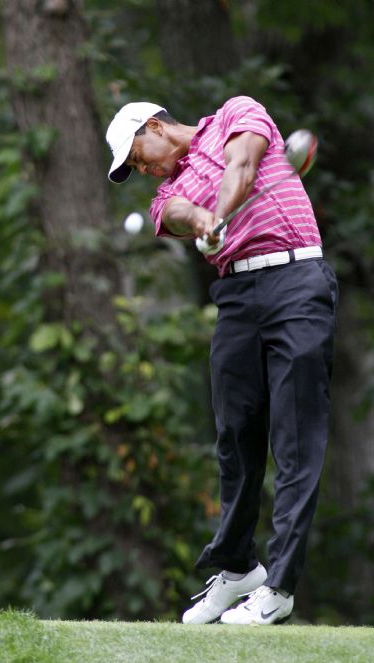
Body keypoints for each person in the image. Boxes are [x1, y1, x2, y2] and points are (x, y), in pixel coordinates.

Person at [105, 98, 338, 625]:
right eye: (134, 168)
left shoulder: (236, 113)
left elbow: (243, 165)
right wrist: (204, 217)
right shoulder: (167, 193)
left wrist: (220, 210)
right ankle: (237, 568)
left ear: (155, 126)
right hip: (237, 297)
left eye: (138, 154)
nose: (142, 169)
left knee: (296, 436)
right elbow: (179, 214)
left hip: (296, 280)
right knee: (234, 433)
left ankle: (279, 586)